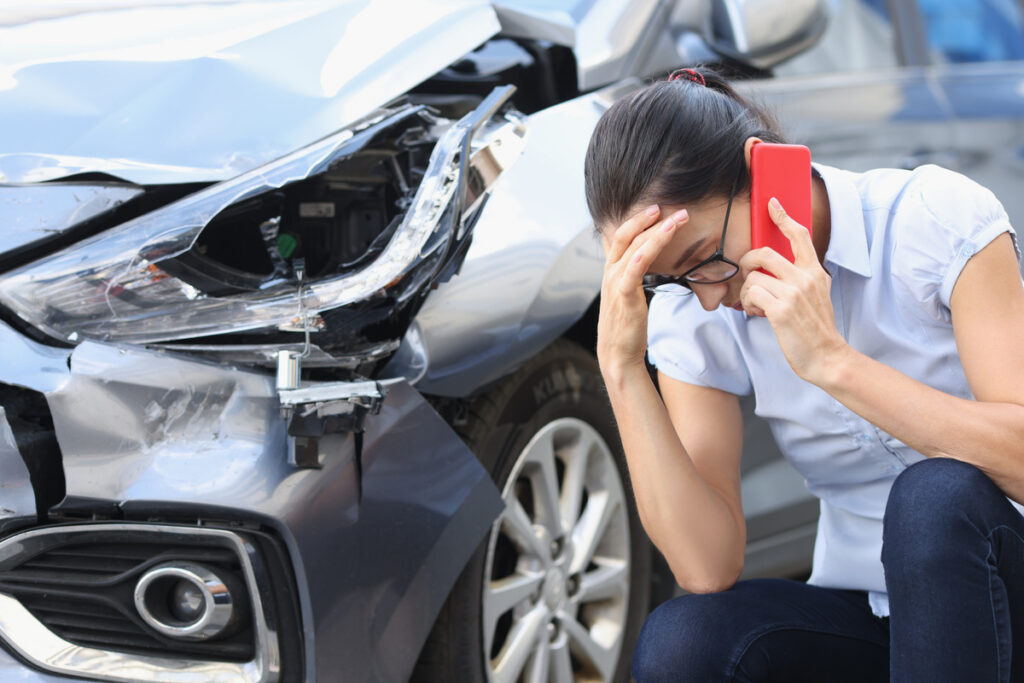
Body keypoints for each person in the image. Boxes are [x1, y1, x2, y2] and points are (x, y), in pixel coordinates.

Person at [584, 66, 1024, 682]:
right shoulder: (694, 306)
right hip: (875, 621)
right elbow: (706, 566)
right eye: (673, 280)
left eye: (704, 259)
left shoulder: (931, 220)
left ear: (767, 173)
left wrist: (834, 365)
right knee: (684, 641)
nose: (708, 298)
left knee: (936, 497)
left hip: (1007, 593)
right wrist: (623, 367)